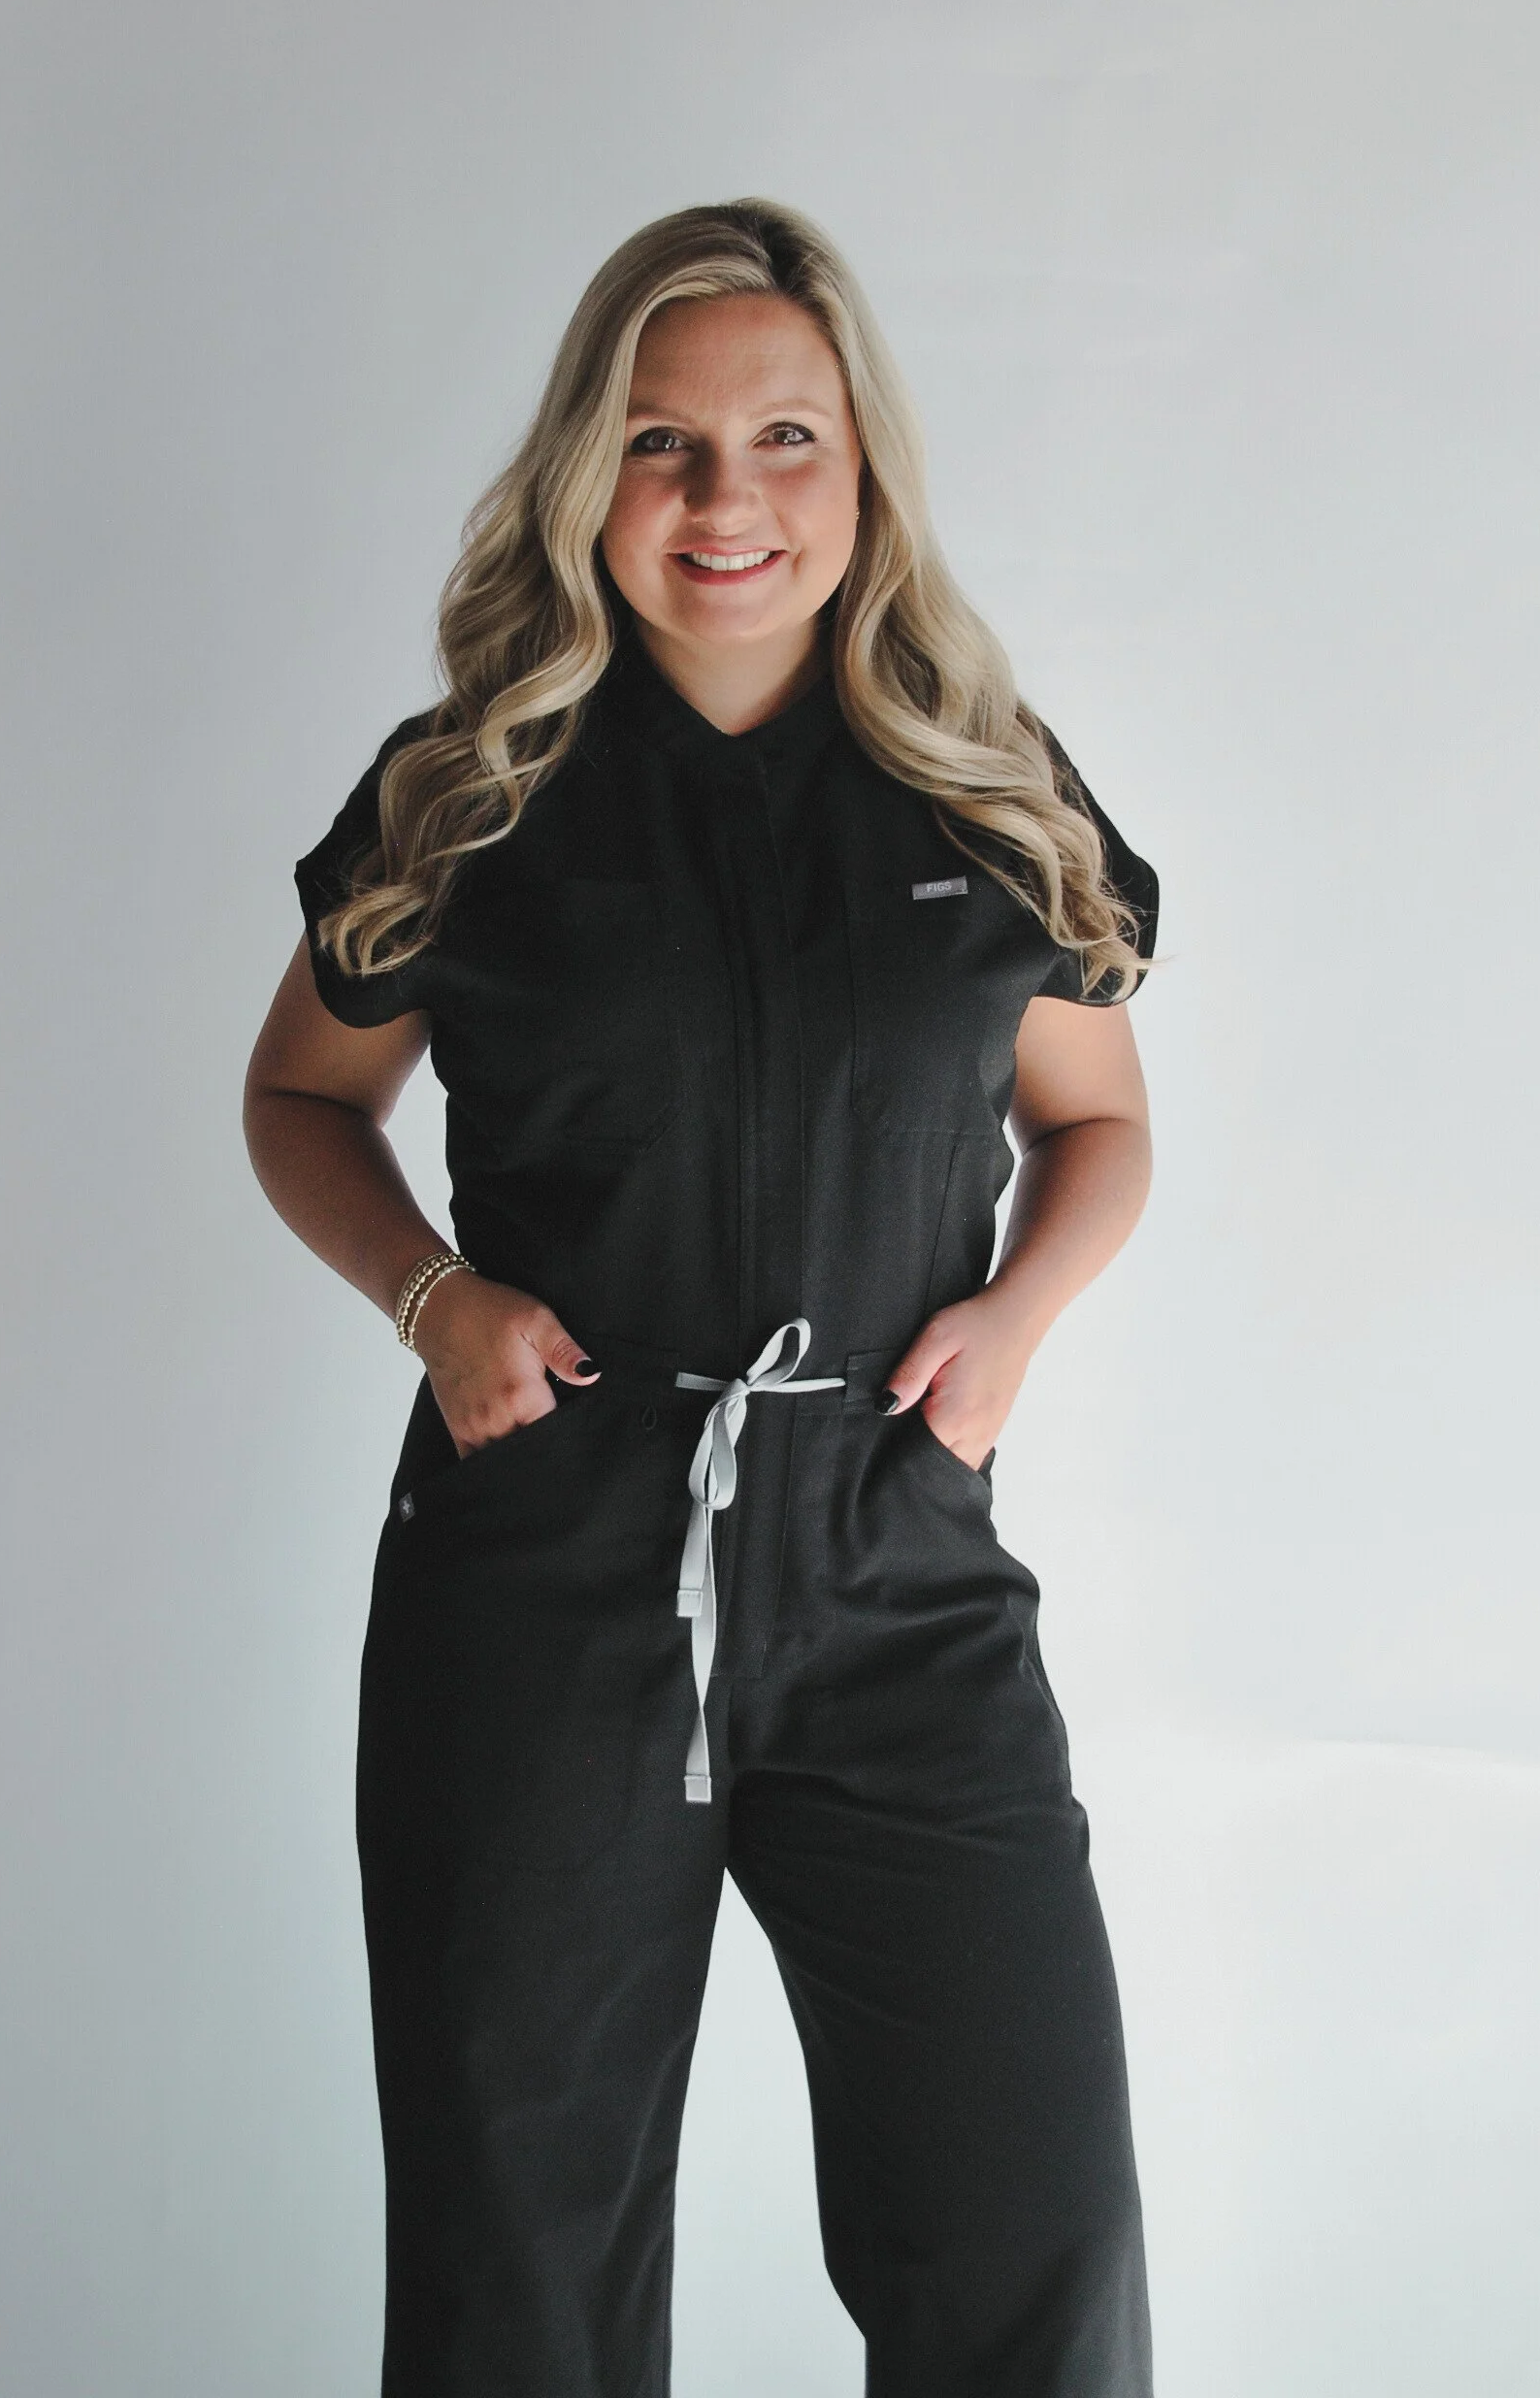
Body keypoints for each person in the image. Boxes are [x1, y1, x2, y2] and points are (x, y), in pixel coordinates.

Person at [243, 198, 1161, 2397]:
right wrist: (430, 1294)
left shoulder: (987, 784)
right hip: (545, 1562)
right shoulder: (465, 791)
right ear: (591, 477)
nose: (727, 501)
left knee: (1027, 2229)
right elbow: (298, 1088)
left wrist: (1015, 1319)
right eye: (664, 445)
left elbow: (1102, 1124)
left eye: (783, 439)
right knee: (520, 2271)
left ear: (862, 471)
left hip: (894, 1565)